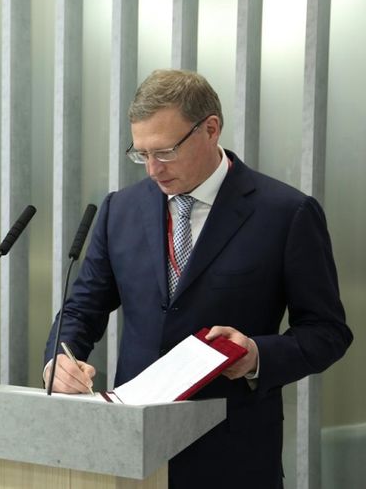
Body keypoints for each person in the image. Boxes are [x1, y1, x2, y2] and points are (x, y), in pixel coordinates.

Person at [43, 69, 352, 489]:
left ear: (210, 129)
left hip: (232, 459)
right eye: (141, 154)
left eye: (165, 152)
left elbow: (327, 332)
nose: (153, 169)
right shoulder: (120, 210)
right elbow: (82, 309)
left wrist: (257, 356)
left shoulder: (286, 213)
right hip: (132, 455)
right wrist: (58, 360)